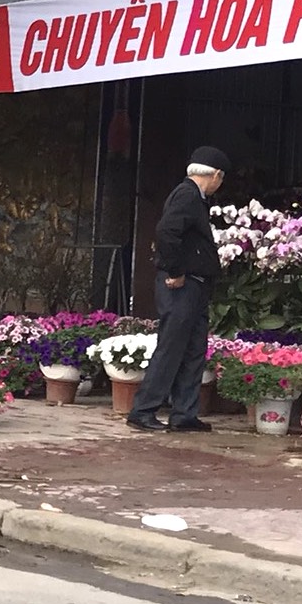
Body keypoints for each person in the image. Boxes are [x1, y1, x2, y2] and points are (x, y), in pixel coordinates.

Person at [128, 145, 229, 433]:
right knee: (171, 348)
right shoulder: (187, 195)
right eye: (221, 180)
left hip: (196, 287)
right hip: (181, 286)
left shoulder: (194, 198)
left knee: (194, 349)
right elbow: (166, 232)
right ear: (216, 175)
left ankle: (184, 413)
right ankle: (143, 410)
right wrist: (174, 270)